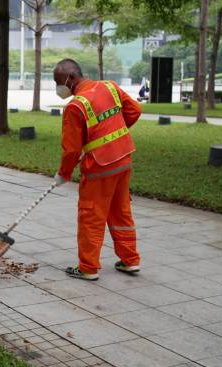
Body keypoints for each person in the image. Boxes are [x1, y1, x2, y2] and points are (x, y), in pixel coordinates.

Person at [52, 59, 143, 281]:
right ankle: (130, 261)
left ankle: (87, 267)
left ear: (70, 78)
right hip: (123, 159)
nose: (57, 88)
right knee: (120, 212)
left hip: (100, 168)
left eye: (58, 82)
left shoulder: (75, 106)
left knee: (91, 215)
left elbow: (72, 149)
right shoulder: (109, 87)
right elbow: (135, 110)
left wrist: (63, 174)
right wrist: (113, 135)